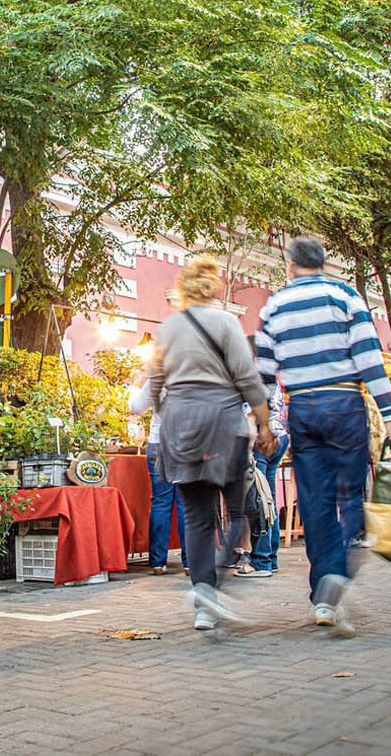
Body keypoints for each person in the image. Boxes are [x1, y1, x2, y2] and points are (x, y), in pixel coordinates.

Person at [256, 237, 391, 636]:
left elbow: (264, 375)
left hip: (302, 409)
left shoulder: (275, 306)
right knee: (350, 495)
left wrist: (265, 424)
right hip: (345, 405)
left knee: (315, 501)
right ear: (322, 263)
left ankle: (323, 592)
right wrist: (390, 415)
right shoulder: (346, 297)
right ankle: (336, 576)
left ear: (291, 265)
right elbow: (370, 360)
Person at [150, 256, 274, 632]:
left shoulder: (168, 328)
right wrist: (265, 422)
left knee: (196, 517)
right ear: (214, 289)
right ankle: (216, 580)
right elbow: (246, 376)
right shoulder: (225, 323)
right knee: (238, 511)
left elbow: (156, 383)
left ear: (184, 290)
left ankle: (203, 596)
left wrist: (172, 413)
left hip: (180, 426)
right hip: (224, 424)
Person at [128, 379, 187, 576]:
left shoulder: (157, 378)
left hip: (158, 442)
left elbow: (136, 408)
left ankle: (158, 563)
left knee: (161, 502)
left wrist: (133, 389)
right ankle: (190, 563)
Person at [239, 386, 288, 578]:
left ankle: (261, 560)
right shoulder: (270, 369)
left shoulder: (254, 370)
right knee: (268, 498)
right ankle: (270, 558)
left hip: (263, 438)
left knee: (258, 498)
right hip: (279, 435)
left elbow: (255, 407)